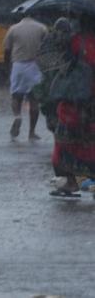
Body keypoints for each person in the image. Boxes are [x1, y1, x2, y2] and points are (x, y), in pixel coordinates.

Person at [50, 17, 95, 196]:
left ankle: (70, 182)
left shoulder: (77, 41)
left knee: (63, 145)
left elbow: (62, 66)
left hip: (75, 101)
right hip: (90, 104)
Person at [3, 15, 48, 140]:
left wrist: (8, 68)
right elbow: (47, 48)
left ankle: (17, 115)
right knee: (34, 100)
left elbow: (6, 50)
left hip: (18, 65)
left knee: (16, 96)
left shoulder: (13, 29)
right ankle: (31, 132)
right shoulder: (42, 28)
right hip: (35, 66)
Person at [33, 17, 73, 132]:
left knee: (53, 111)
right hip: (58, 84)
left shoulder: (49, 39)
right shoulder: (67, 40)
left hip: (55, 85)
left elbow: (40, 58)